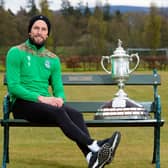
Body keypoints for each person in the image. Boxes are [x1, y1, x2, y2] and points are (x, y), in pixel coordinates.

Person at [6, 15, 121, 168]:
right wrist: (42, 99)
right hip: (22, 104)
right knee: (59, 113)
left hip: (44, 106)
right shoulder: (16, 52)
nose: (39, 32)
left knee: (76, 115)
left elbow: (58, 88)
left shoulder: (53, 59)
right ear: (29, 32)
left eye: (43, 29)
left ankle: (90, 158)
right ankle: (95, 145)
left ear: (47, 34)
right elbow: (13, 86)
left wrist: (59, 98)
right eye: (36, 28)